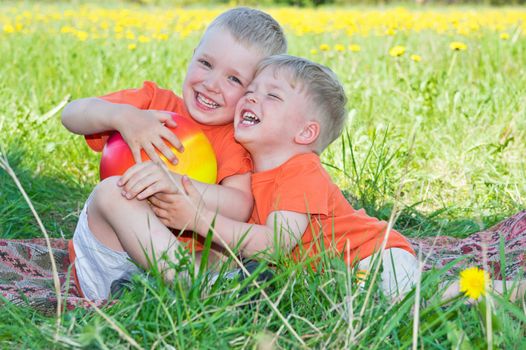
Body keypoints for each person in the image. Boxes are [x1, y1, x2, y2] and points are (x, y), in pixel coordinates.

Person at [142, 54, 419, 299]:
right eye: (251, 90)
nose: (250, 97)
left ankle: (444, 296)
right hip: (328, 276)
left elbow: (275, 246)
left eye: (272, 96)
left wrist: (200, 219)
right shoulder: (244, 177)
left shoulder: (302, 170)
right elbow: (234, 249)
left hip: (374, 254)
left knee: (383, 302)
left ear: (306, 133)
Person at [61, 8, 287, 300]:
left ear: (253, 93)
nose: (211, 83)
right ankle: (199, 289)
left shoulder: (236, 141)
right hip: (111, 260)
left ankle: (173, 289)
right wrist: (120, 116)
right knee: (110, 193)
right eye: (206, 63)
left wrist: (174, 183)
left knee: (234, 241)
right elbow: (72, 114)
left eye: (234, 79)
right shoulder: (153, 103)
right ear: (193, 54)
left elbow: (238, 205)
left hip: (177, 262)